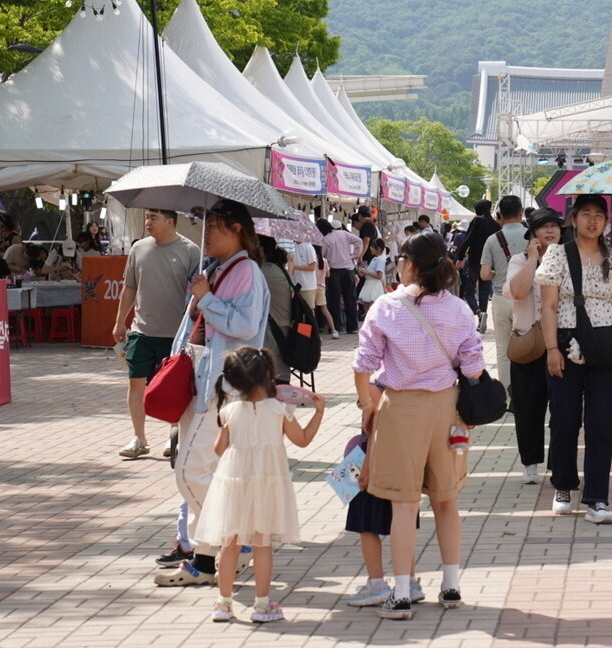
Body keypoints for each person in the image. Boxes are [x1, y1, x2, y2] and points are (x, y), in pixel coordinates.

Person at [354, 230, 484, 619]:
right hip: (447, 411)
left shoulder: (386, 306)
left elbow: (363, 363)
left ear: (408, 264)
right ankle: (451, 585)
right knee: (446, 500)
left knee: (404, 504)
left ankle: (404, 592)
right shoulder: (459, 309)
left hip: (400, 410)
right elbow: (474, 364)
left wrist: (367, 407)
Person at [155, 198, 271, 588]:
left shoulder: (247, 272)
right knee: (205, 471)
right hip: (199, 381)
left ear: (236, 229)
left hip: (220, 386)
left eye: (213, 226)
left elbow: (244, 323)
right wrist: (200, 297)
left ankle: (231, 543)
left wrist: (205, 297)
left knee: (188, 472)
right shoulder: (215, 268)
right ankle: (206, 562)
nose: (204, 234)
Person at [197, 347, 324, 624]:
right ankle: (262, 606)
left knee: (229, 544)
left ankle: (223, 603)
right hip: (267, 485)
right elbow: (302, 440)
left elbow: (219, 449)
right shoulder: (279, 409)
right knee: (261, 545)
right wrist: (318, 412)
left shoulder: (229, 411)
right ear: (268, 374)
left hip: (234, 484)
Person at [537, 194, 612, 525]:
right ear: (573, 219)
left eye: (599, 215)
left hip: (607, 345)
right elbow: (548, 306)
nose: (592, 221)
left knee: (600, 423)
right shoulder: (557, 254)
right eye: (586, 214)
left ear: (606, 222)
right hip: (566, 343)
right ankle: (563, 485)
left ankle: (597, 498)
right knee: (564, 420)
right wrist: (551, 349)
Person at [112, 209, 202, 461]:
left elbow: (196, 292)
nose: (147, 222)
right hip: (142, 330)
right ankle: (139, 438)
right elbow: (129, 287)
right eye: (147, 217)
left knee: (173, 387)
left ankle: (173, 434)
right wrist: (120, 322)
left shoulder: (190, 250)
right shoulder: (138, 249)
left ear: (170, 221)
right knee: (135, 382)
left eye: (153, 217)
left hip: (176, 334)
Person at [342, 380, 425, 609]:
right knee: (403, 520)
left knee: (366, 524)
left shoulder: (373, 382)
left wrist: (366, 468)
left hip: (375, 460)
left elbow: (375, 425)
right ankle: (410, 581)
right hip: (405, 456)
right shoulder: (413, 372)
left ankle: (377, 583)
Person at [505, 209, 565, 485]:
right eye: (544, 228)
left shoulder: (568, 260)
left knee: (562, 407)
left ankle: (557, 462)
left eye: (555, 226)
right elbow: (516, 292)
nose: (550, 232)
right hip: (528, 343)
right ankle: (530, 462)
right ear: (533, 235)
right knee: (528, 407)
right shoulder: (518, 260)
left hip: (560, 343)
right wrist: (532, 259)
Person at [479, 195, 528, 393]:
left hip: (500, 298)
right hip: (526, 300)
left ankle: (508, 392)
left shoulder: (492, 240)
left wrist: (498, 273)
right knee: (528, 346)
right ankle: (525, 388)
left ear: (500, 214)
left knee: (502, 349)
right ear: (521, 212)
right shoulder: (531, 237)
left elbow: (483, 275)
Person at [454, 200, 500, 329]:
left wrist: (460, 256)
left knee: (469, 291)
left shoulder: (477, 220)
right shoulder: (495, 224)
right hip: (488, 263)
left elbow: (468, 239)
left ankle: (478, 313)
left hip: (474, 261)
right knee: (484, 291)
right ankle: (483, 316)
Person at [257, 236, 294, 384]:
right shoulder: (276, 269)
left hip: (273, 332)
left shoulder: (265, 271)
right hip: (281, 328)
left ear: (261, 250)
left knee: (275, 380)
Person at [320, 218, 362, 339]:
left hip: (334, 271)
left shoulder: (326, 238)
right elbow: (359, 241)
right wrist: (354, 255)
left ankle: (336, 327)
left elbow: (322, 254)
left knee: (334, 300)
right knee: (350, 298)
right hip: (348, 269)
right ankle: (352, 327)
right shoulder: (345, 234)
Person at [358, 240, 387, 314]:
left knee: (372, 308)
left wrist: (367, 272)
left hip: (374, 285)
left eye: (372, 247)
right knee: (367, 308)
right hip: (369, 284)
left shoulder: (380, 260)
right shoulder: (374, 259)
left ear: (378, 249)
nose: (370, 248)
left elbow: (379, 276)